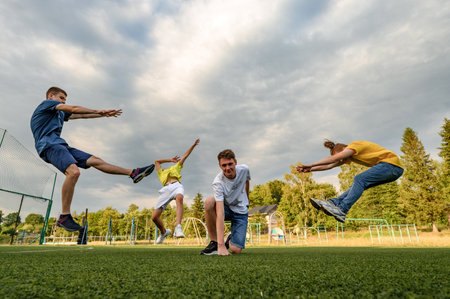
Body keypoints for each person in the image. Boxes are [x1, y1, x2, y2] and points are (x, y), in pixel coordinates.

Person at [30, 87, 154, 232]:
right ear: (51, 96)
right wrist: (97, 110)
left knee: (95, 160)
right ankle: (64, 216)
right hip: (48, 145)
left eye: (65, 99)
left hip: (60, 144)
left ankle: (133, 172)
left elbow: (80, 116)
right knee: (73, 172)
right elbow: (75, 109)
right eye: (62, 98)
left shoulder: (59, 114)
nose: (64, 101)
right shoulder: (46, 104)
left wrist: (102, 115)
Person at [297, 140, 404, 223]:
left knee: (359, 179)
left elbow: (334, 160)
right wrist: (311, 169)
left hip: (390, 166)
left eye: (341, 158)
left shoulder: (354, 146)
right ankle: (334, 203)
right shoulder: (350, 156)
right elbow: (330, 165)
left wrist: (311, 164)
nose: (341, 161)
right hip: (393, 171)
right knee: (358, 185)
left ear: (344, 149)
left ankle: (342, 209)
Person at [201, 149, 250, 255]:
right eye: (224, 165)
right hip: (226, 209)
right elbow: (220, 212)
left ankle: (230, 238)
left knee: (235, 250)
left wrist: (247, 198)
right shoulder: (218, 182)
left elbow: (246, 181)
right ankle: (214, 242)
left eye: (230, 164)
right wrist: (221, 246)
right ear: (220, 166)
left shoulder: (245, 169)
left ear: (235, 162)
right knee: (209, 202)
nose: (227, 168)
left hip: (241, 212)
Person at [152, 139, 200, 244]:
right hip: (165, 190)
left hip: (176, 185)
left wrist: (193, 145)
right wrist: (170, 159)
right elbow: (157, 161)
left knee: (180, 197)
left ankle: (178, 227)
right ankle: (164, 232)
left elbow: (185, 156)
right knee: (154, 217)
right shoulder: (161, 173)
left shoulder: (176, 167)